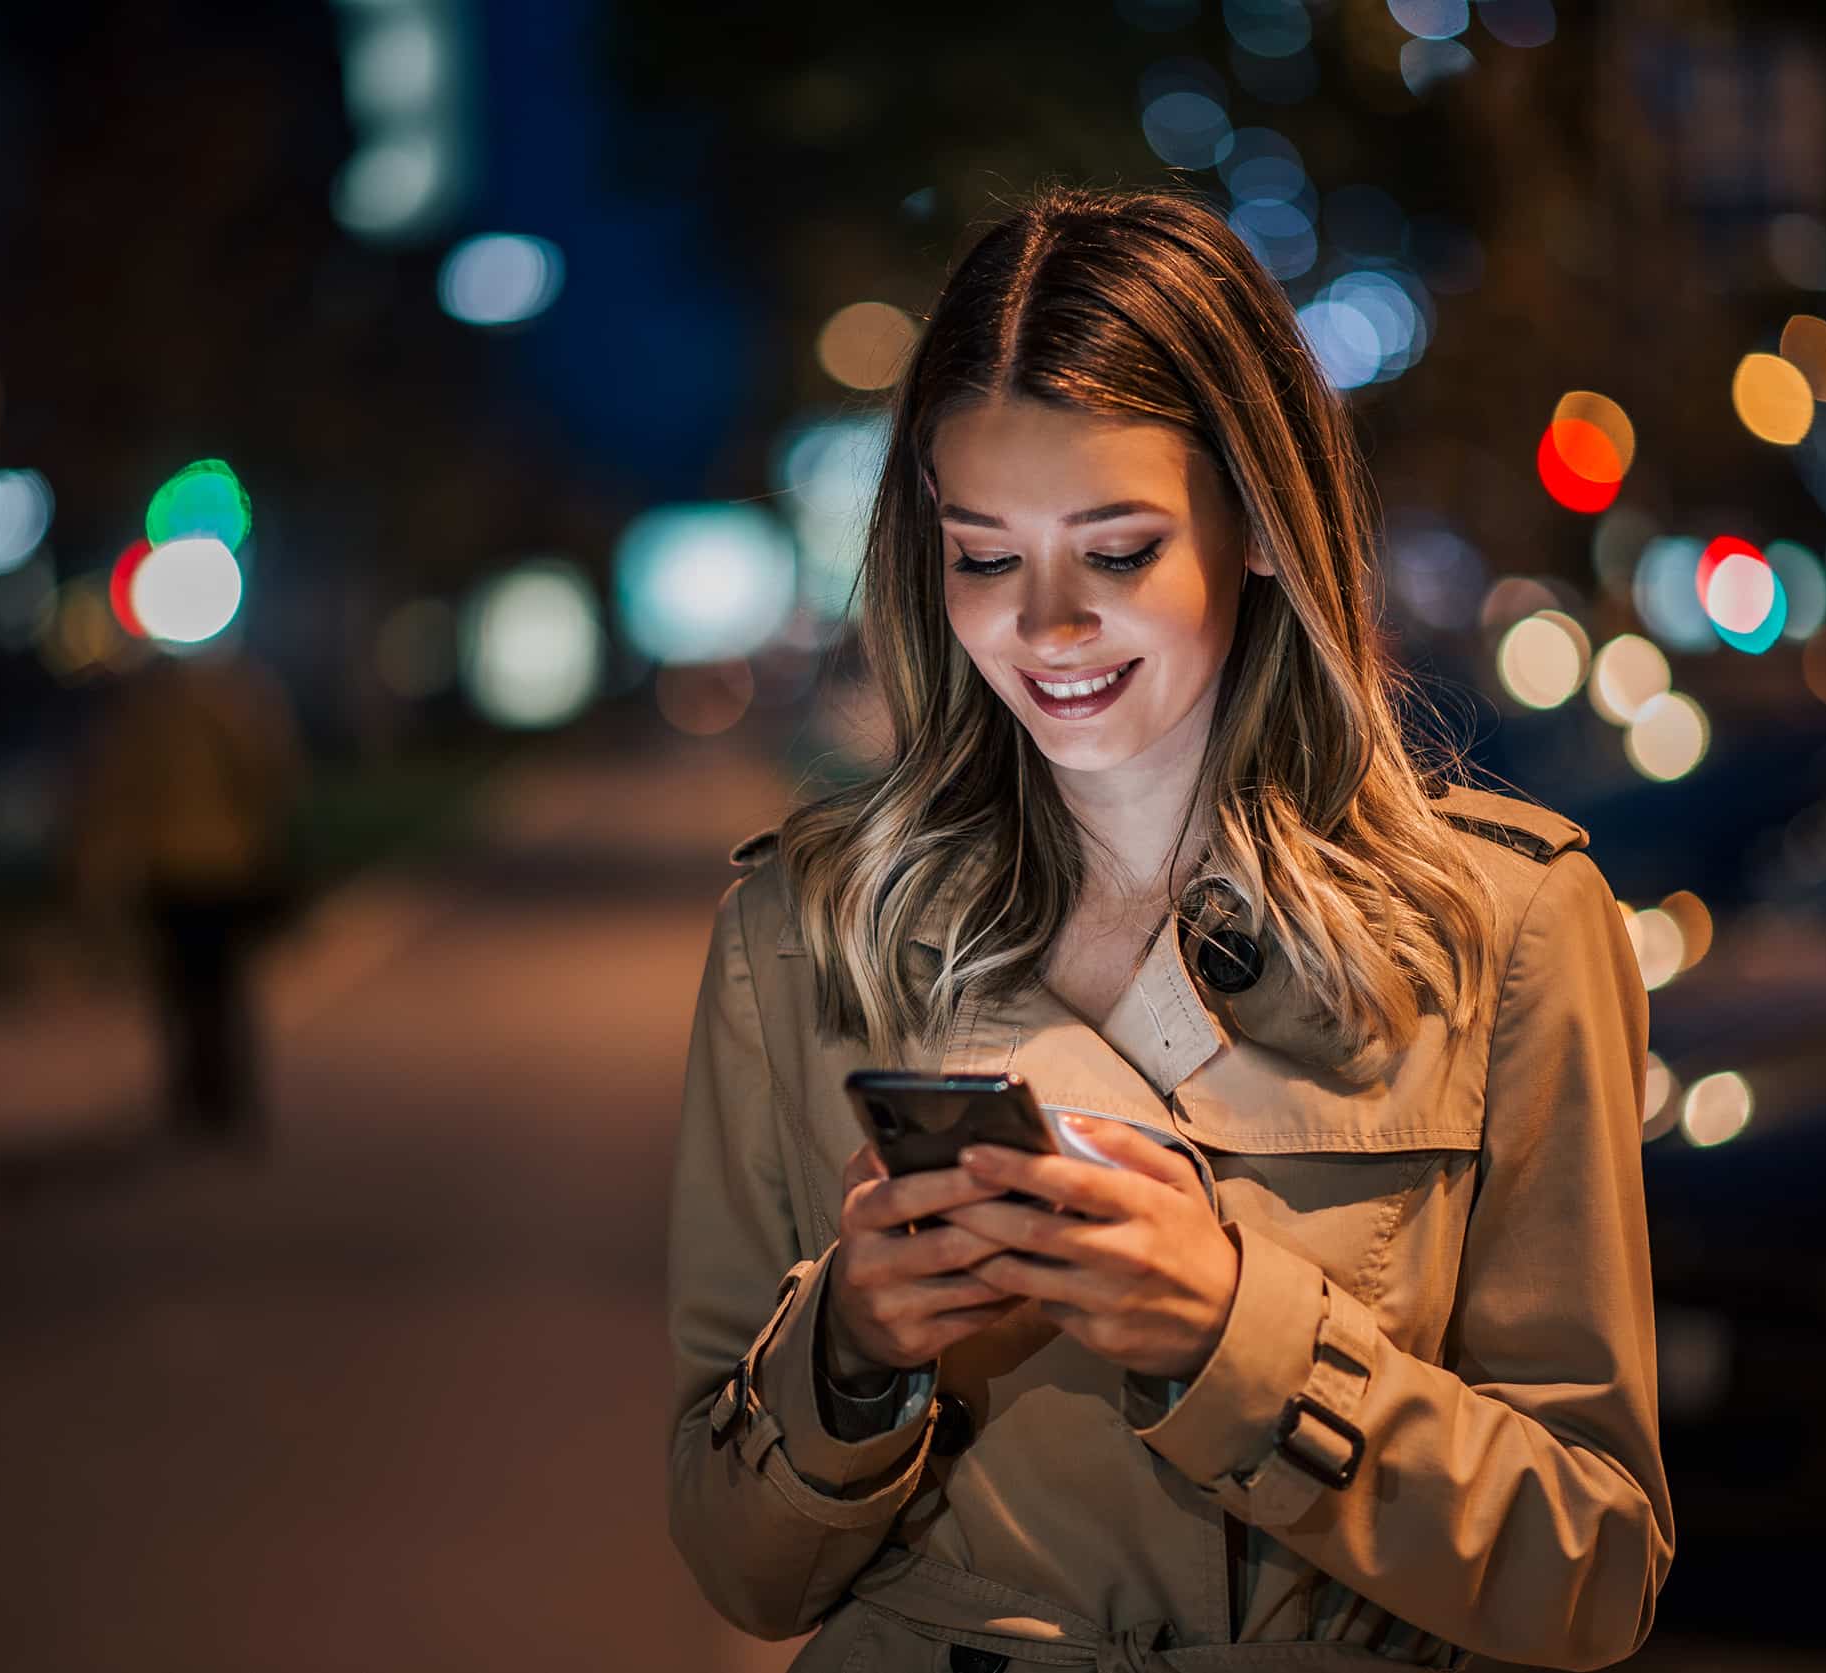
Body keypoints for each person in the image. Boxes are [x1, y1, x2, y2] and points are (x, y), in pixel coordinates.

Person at [666, 185, 1672, 1672]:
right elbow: (737, 1569)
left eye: (1117, 550)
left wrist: (1229, 1334)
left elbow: (1586, 1574)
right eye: (985, 557)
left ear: (1256, 526)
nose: (1046, 626)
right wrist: (851, 1353)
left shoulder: (1502, 927)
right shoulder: (800, 935)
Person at [71, 643, 304, 1149]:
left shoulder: (145, 707)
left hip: (173, 866)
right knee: (221, 982)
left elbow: (114, 786)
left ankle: (194, 1092)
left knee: (181, 983)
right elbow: (272, 771)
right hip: (226, 862)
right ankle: (225, 1093)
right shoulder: (241, 697)